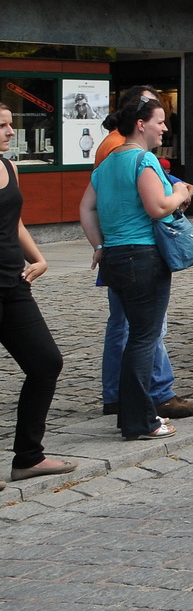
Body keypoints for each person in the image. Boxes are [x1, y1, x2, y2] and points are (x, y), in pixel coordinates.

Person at [78, 98, 193, 440]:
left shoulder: (105, 165)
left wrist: (100, 246)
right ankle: (139, 420)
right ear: (141, 125)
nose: (165, 127)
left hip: (115, 257)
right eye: (160, 121)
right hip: (142, 257)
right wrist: (177, 191)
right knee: (144, 339)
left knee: (135, 336)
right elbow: (158, 207)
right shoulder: (141, 159)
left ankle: (132, 415)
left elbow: (85, 209)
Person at [0, 104, 71, 487]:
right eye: (2, 126)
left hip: (13, 282)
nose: (11, 132)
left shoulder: (9, 167)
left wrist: (39, 258)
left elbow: (16, 221)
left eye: (11, 125)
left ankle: (28, 456)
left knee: (46, 363)